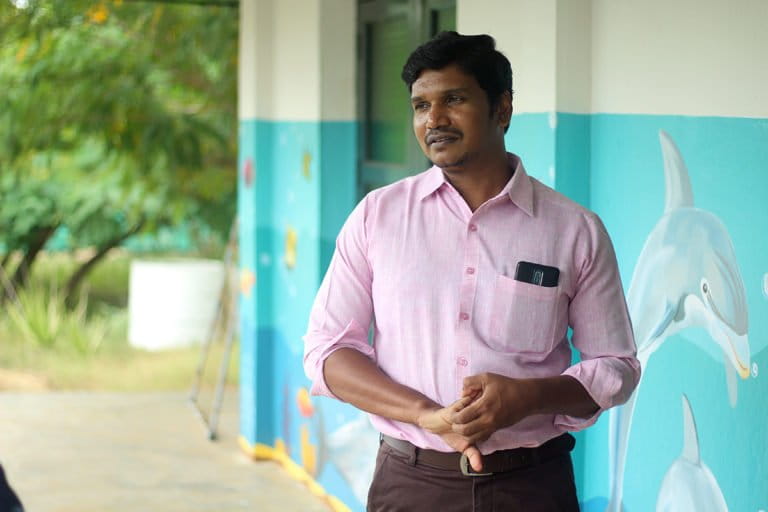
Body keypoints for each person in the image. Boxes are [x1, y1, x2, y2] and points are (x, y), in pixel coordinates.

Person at [303, 31, 640, 511]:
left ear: (501, 108)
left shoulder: (574, 230)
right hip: (411, 483)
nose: (434, 120)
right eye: (421, 106)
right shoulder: (377, 217)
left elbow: (617, 367)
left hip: (532, 486)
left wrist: (527, 398)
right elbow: (328, 350)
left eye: (454, 99)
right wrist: (426, 414)